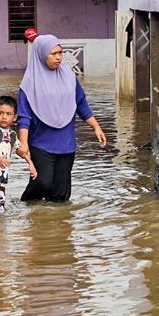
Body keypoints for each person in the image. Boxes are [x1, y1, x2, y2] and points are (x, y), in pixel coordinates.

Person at [17, 34, 107, 202]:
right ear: (41, 54)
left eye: (60, 52)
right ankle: (28, 211)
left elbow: (81, 103)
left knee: (60, 194)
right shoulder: (29, 84)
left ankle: (57, 225)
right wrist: (23, 143)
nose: (58, 57)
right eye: (53, 53)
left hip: (66, 143)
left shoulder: (69, 77)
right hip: (40, 143)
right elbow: (24, 117)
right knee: (42, 182)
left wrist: (96, 127)